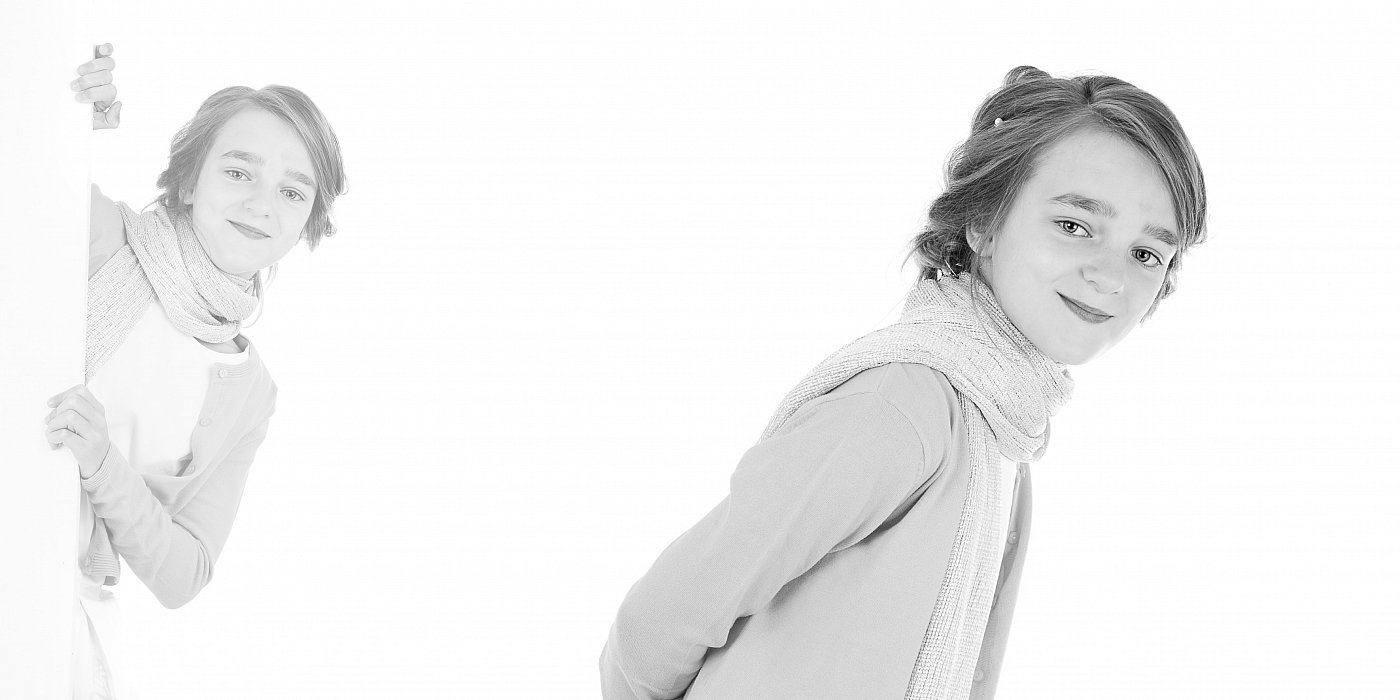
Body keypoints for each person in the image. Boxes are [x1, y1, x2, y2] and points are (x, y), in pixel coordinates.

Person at [600, 66, 1207, 699]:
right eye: (1074, 225)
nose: (1111, 276)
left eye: (1146, 254)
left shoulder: (1003, 430)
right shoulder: (900, 408)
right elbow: (652, 627)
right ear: (984, 222)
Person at [46, 44, 347, 698]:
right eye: (239, 172)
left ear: (307, 222)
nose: (262, 204)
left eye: (292, 191)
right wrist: (66, 118)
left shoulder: (250, 391)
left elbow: (183, 574)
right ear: (188, 181)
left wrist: (102, 463)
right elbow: (18, 166)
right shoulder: (101, 237)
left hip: (54, 625)